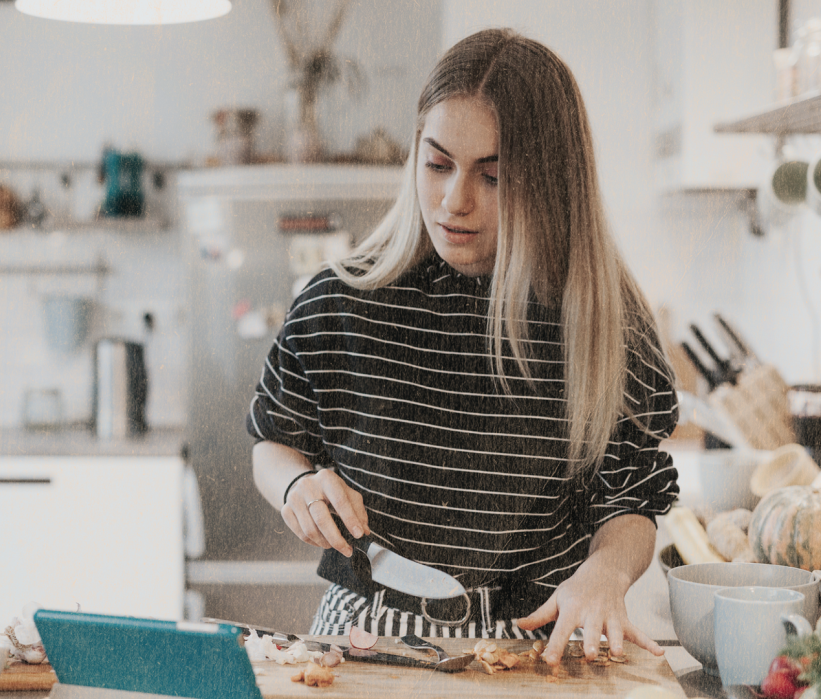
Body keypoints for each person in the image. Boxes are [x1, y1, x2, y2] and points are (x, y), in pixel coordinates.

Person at [246, 27, 679, 667]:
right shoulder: (343, 300)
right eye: (438, 163)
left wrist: (607, 574)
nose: (455, 201)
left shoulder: (604, 326)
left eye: (494, 175)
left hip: (536, 645)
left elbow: (632, 500)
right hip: (365, 635)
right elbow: (275, 440)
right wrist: (295, 487)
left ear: (553, 182)